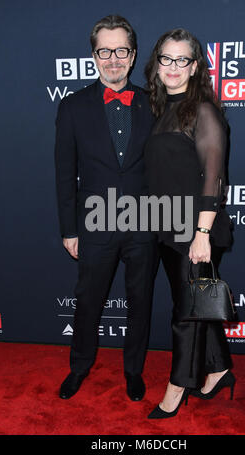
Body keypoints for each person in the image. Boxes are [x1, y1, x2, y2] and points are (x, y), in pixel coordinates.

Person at [54, 15, 159, 401]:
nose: (113, 59)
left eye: (121, 51)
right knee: (88, 303)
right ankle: (79, 367)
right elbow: (64, 173)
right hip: (94, 224)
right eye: (105, 51)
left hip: (144, 223)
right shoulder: (72, 107)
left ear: (132, 56)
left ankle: (134, 371)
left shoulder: (153, 103)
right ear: (93, 55)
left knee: (140, 303)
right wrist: (69, 229)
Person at [144, 28, 234, 419]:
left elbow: (214, 177)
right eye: (167, 58)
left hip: (197, 229)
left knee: (184, 313)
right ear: (157, 64)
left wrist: (201, 235)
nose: (174, 67)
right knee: (196, 305)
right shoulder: (163, 109)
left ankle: (178, 386)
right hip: (168, 226)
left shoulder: (204, 111)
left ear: (195, 66)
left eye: (183, 60)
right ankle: (220, 369)